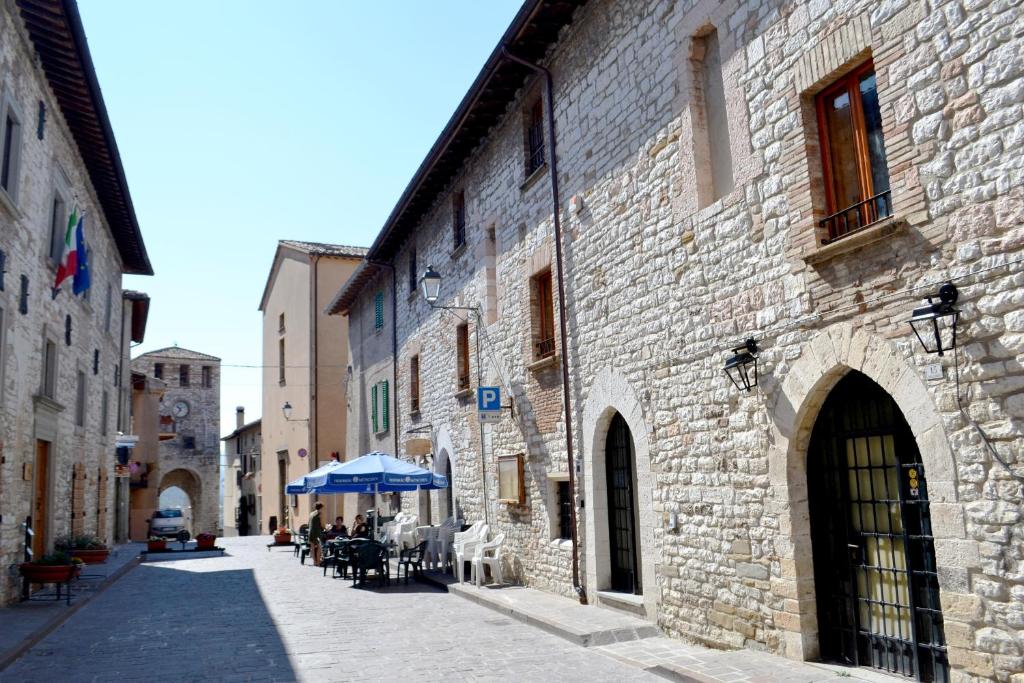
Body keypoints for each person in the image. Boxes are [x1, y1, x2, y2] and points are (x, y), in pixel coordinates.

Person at [308, 502, 325, 566]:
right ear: (321, 507)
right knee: (319, 547)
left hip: (310, 532)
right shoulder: (320, 513)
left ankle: (314, 561)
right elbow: (322, 524)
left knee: (312, 547)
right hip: (317, 532)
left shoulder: (311, 513)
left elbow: (308, 523)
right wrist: (325, 528)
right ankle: (318, 562)